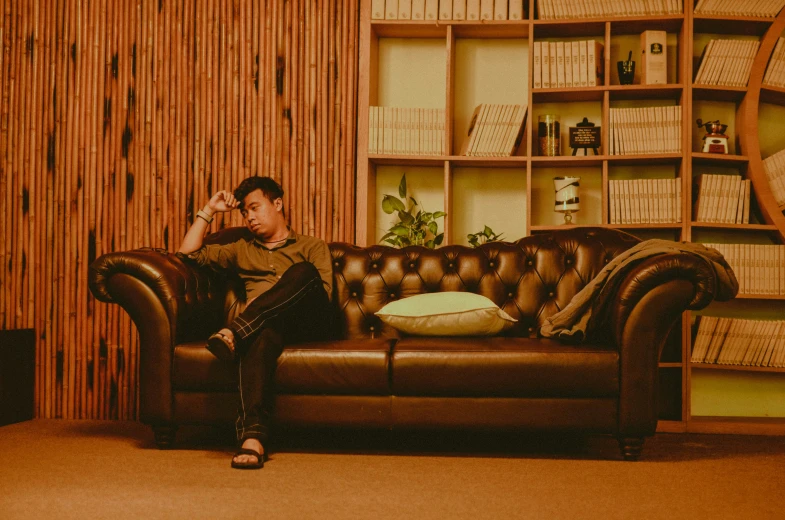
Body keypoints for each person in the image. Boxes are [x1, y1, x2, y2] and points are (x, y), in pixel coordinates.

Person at [178, 176, 335, 469]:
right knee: (259, 334)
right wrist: (209, 210)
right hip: (266, 327)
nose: (249, 217)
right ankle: (252, 439)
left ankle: (235, 330)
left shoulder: (312, 246)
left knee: (303, 272)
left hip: (307, 323)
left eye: (255, 208)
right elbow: (188, 253)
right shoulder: (241, 249)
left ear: (277, 204)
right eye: (244, 212)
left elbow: (323, 295)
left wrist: (261, 306)